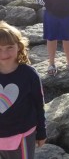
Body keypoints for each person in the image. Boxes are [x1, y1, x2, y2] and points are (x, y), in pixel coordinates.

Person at [0, 21, 47, 159]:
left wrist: (41, 133)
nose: (4, 53)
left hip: (23, 134)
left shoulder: (29, 74)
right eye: (0, 48)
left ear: (19, 47)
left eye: (10, 47)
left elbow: (39, 104)